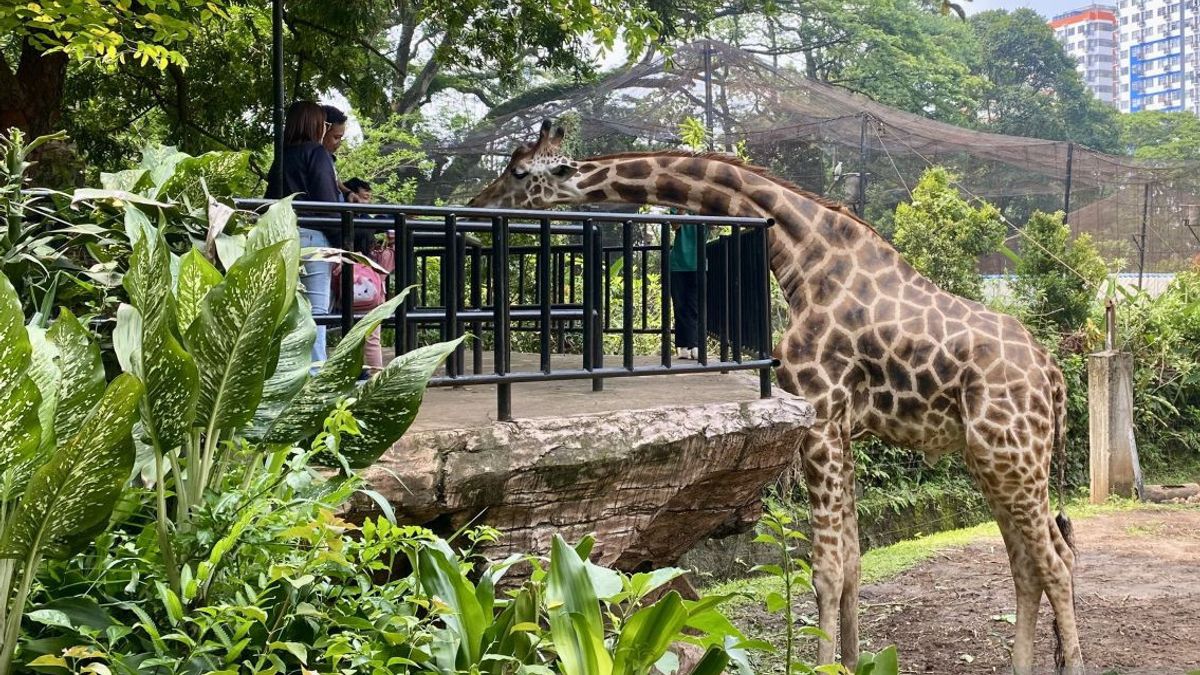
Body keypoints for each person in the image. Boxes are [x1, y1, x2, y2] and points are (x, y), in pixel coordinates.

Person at [265, 100, 340, 363]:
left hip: (282, 239)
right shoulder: (316, 153)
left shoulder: (281, 157)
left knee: (287, 311)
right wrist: (342, 247)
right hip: (314, 239)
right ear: (315, 124)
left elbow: (269, 202)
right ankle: (315, 377)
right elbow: (328, 205)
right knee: (316, 313)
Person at [670, 217, 703, 360]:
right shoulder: (676, 207)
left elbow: (715, 225)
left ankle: (695, 345)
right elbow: (674, 225)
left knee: (694, 306)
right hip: (677, 264)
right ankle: (683, 346)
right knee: (679, 305)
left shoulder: (703, 208)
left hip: (699, 264)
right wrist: (681, 210)